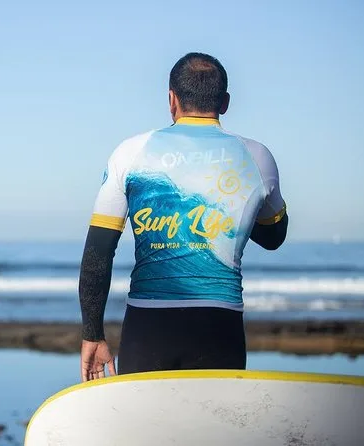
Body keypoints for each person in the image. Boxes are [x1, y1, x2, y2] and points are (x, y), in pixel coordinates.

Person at [78, 52, 288, 382]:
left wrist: (93, 334)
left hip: (147, 328)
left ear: (171, 99)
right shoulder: (257, 157)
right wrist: (235, 208)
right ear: (225, 103)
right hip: (221, 328)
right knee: (216, 417)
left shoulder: (131, 152)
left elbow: (98, 251)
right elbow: (274, 237)